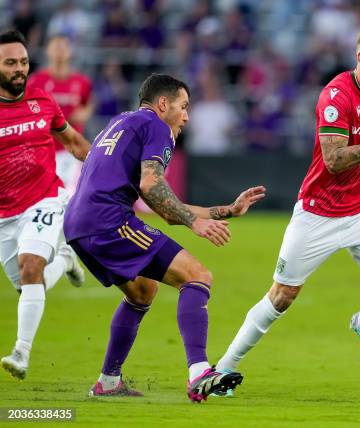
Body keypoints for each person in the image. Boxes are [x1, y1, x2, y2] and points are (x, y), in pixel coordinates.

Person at [215, 22, 360, 394]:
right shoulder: (335, 97)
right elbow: (334, 160)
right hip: (319, 212)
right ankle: (224, 369)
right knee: (281, 297)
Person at [63, 73, 266, 402]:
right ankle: (199, 372)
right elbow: (151, 187)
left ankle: (108, 382)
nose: (186, 116)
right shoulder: (157, 127)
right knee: (197, 275)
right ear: (162, 104)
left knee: (143, 290)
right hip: (107, 220)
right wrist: (194, 224)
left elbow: (166, 206)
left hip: (77, 223)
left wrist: (226, 211)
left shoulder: (121, 122)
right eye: (183, 107)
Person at [0, 30, 89, 380]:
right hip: (5, 215)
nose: (19, 69)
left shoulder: (43, 102)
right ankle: (66, 258)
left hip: (45, 198)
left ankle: (20, 353)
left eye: (23, 62)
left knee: (31, 267)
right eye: (10, 63)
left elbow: (72, 140)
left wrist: (107, 165)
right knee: (28, 284)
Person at [28, 34, 94, 194]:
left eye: (63, 47)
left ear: (70, 52)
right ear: (48, 51)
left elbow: (88, 104)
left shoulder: (81, 81)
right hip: (44, 148)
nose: (60, 51)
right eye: (56, 47)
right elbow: (25, 106)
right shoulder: (36, 81)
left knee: (68, 193)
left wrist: (84, 114)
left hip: (70, 148)